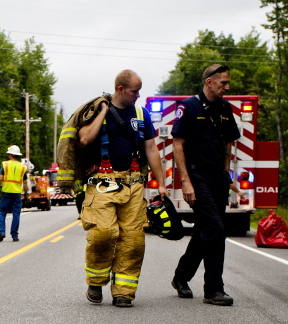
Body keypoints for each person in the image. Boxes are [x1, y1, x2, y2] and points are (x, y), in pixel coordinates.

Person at [78, 70, 166, 307]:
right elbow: (85, 139)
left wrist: (162, 184)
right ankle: (96, 282)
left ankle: (124, 292)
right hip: (101, 182)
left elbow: (151, 149)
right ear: (120, 89)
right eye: (134, 91)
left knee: (133, 239)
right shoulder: (96, 111)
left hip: (133, 183)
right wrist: (104, 112)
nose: (138, 95)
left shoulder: (141, 114)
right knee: (103, 233)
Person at [171, 64, 241, 305]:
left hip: (217, 178)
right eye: (223, 82)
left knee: (204, 231)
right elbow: (178, 145)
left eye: (228, 82)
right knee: (215, 230)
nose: (227, 87)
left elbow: (229, 142)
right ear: (209, 82)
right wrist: (186, 183)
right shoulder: (188, 106)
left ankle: (180, 278)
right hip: (197, 177)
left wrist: (225, 173)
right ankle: (213, 290)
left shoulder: (225, 108)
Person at [0, 146, 28, 242]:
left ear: (12, 155)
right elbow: (25, 182)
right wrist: (25, 194)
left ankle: (2, 232)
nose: (8, 155)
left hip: (6, 192)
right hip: (17, 194)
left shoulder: (5, 164)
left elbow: (0, 178)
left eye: (9, 154)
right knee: (16, 214)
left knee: (2, 213)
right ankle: (14, 235)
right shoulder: (22, 167)